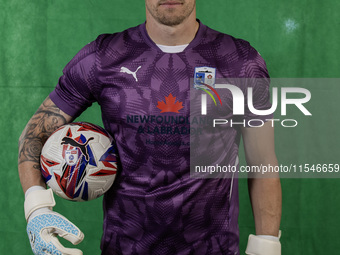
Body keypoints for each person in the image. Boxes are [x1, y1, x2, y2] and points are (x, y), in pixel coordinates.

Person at [18, 0, 282, 254]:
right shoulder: (104, 56)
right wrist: (37, 209)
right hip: (123, 249)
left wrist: (267, 246)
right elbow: (35, 133)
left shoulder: (240, 61)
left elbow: (263, 161)